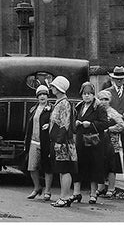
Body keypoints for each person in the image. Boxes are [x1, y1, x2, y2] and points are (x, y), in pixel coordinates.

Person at [70, 82, 110, 204]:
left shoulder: (99, 107)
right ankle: (76, 193)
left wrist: (91, 125)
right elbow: (73, 124)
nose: (87, 96)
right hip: (81, 141)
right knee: (79, 166)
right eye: (84, 94)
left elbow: (105, 124)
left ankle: (93, 193)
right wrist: (76, 124)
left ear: (93, 95)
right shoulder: (79, 107)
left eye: (89, 94)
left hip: (94, 142)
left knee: (94, 166)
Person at [48, 75, 77, 207]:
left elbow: (64, 124)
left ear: (59, 88)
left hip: (63, 142)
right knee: (61, 168)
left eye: (53, 86)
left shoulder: (64, 103)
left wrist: (59, 141)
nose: (51, 88)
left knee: (65, 168)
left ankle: (65, 197)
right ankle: (63, 196)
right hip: (59, 141)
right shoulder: (59, 102)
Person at [24, 85, 54, 201]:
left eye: (44, 94)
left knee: (47, 167)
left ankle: (48, 191)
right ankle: (37, 188)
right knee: (32, 167)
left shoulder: (51, 109)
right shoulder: (33, 109)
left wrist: (50, 125)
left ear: (48, 96)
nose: (42, 97)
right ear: (37, 97)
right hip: (33, 141)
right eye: (40, 95)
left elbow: (56, 122)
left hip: (46, 141)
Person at [96, 90, 124, 198]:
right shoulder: (97, 111)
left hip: (112, 142)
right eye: (101, 99)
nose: (103, 102)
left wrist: (110, 129)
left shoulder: (113, 113)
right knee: (100, 164)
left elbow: (122, 125)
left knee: (111, 166)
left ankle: (111, 188)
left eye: (106, 99)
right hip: (100, 142)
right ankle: (101, 187)